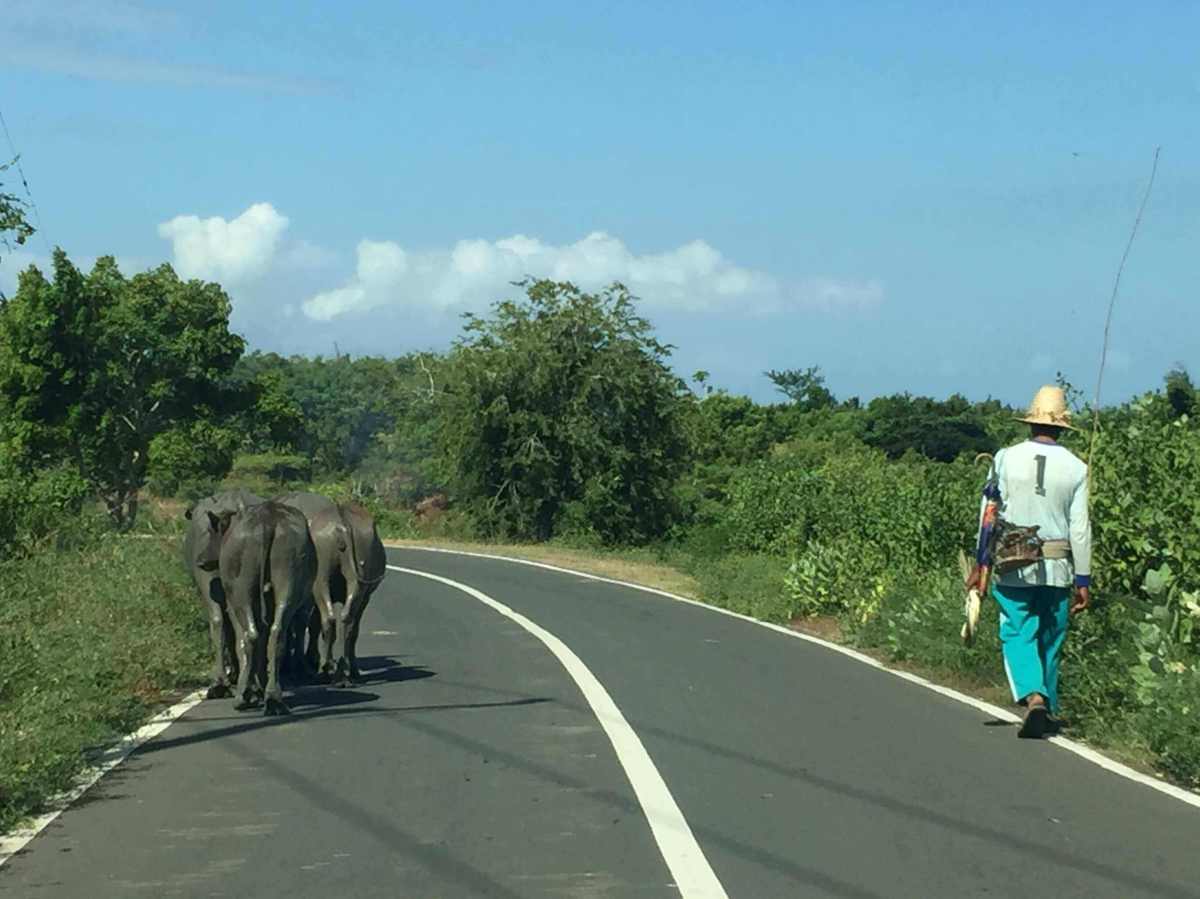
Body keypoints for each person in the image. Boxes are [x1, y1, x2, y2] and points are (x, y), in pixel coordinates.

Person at [967, 385, 1092, 739]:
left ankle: (1034, 697)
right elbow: (1080, 528)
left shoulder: (1005, 458)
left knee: (1018, 629)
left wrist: (981, 562)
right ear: (1062, 427)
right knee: (1051, 635)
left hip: (1012, 561)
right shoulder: (1077, 468)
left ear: (1030, 424)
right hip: (1058, 564)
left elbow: (988, 514)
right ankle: (1046, 704)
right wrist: (1083, 578)